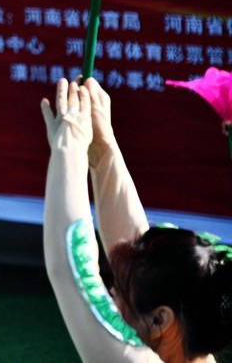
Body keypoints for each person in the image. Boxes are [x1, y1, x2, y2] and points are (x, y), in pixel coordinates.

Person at [41, 77, 232, 363]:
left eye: (120, 295)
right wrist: (103, 150)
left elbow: (70, 269)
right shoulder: (195, 350)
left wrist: (69, 145)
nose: (111, 295)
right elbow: (136, 242)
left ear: (160, 320)